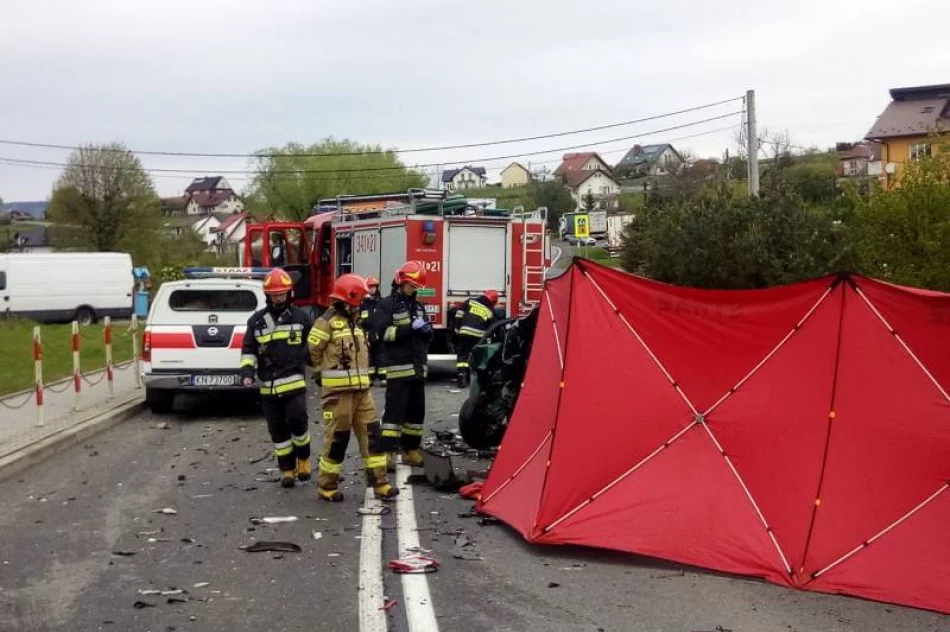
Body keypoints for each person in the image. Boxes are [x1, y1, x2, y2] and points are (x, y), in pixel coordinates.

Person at [308, 274, 397, 502]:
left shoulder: (356, 322)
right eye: (359, 298)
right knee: (337, 439)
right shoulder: (326, 322)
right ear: (349, 298)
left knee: (372, 436)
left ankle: (380, 483)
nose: (362, 303)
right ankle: (327, 486)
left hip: (362, 392)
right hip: (338, 395)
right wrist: (321, 374)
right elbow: (310, 354)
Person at [240, 268, 313, 488]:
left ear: (288, 293)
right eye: (274, 294)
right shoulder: (257, 321)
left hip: (294, 382)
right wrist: (246, 373)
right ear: (268, 295)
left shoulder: (301, 318)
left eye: (281, 293)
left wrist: (318, 368)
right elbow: (248, 349)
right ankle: (287, 470)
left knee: (298, 422)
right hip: (268, 387)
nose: (278, 298)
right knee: (278, 431)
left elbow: (314, 347)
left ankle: (303, 459)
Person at [372, 261, 432, 468]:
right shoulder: (386, 305)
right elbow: (382, 333)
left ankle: (411, 450)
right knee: (394, 414)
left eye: (416, 287)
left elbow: (426, 335)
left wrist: (427, 331)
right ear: (401, 282)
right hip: (398, 368)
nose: (414, 290)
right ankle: (388, 452)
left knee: (416, 413)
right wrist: (409, 329)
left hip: (417, 368)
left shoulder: (418, 306)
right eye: (411, 285)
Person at [452, 289, 499, 388]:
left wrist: (456, 327)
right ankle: (472, 379)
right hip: (479, 337)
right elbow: (492, 327)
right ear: (493, 301)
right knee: (474, 356)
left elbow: (459, 313)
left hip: (465, 333)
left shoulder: (470, 301)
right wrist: (489, 339)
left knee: (462, 355)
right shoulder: (490, 311)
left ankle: (462, 378)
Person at [359, 276, 384, 385]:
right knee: (369, 357)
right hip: (368, 335)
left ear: (377, 288)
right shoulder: (363, 304)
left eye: (374, 287)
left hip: (379, 334)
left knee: (381, 356)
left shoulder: (382, 302)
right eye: (369, 287)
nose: (372, 289)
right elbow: (359, 320)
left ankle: (383, 377)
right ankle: (371, 378)